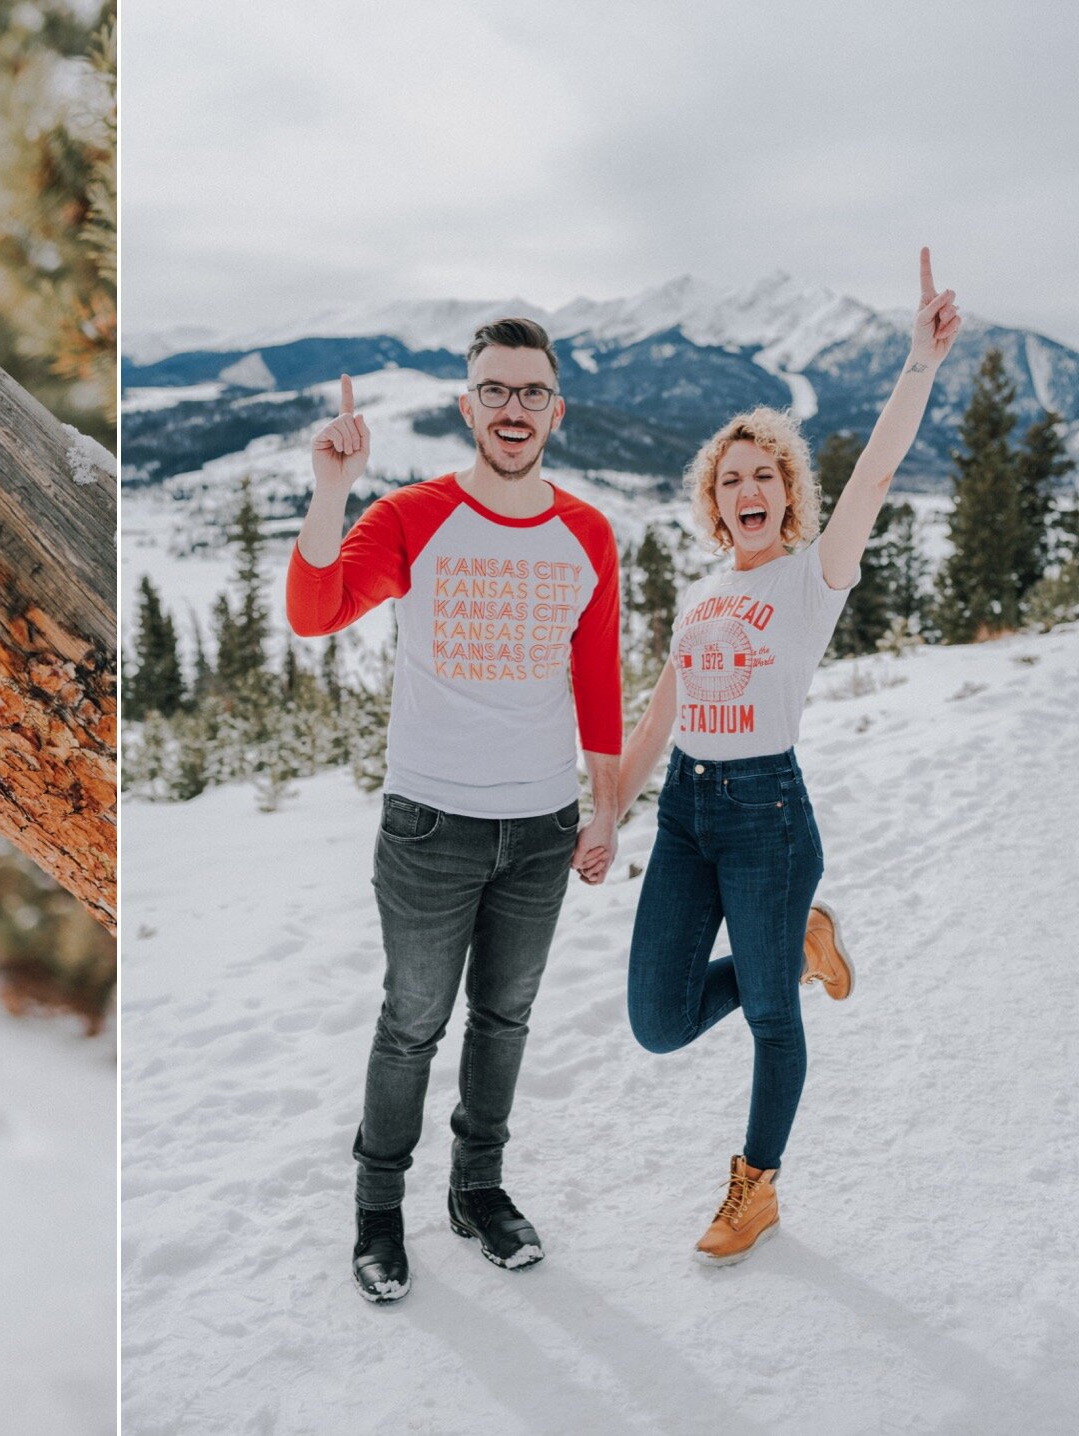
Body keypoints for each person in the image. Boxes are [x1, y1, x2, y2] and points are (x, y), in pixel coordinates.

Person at [599, 249, 962, 1265]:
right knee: (659, 1019)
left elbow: (881, 470)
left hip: (767, 816)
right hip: (684, 814)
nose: (748, 488)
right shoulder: (703, 590)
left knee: (768, 1016)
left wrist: (919, 366)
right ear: (713, 505)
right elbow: (660, 713)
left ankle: (755, 1187)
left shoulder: (815, 575)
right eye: (730, 480)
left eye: (764, 475)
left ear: (786, 490)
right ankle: (796, 942)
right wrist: (609, 810)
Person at [287, 319, 622, 1302]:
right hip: (431, 825)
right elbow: (316, 612)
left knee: (505, 1017)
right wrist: (333, 490)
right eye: (494, 390)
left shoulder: (589, 534)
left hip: (541, 825)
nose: (512, 408)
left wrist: (603, 812)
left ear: (555, 410)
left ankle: (477, 1190)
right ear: (465, 405)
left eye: (530, 392)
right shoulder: (416, 517)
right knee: (412, 1022)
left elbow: (598, 687)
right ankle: (378, 1208)